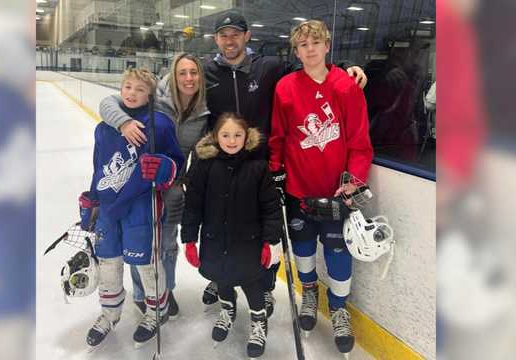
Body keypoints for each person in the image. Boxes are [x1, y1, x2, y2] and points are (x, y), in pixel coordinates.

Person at [101, 11, 368, 317]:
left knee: (264, 230)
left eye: (235, 34)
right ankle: (219, 278)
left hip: (261, 165)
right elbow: (146, 94)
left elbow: (308, 67)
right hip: (221, 163)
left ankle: (265, 288)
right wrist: (123, 120)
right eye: (223, 35)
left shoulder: (268, 66)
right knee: (218, 223)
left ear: (246, 37)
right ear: (216, 40)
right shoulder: (204, 73)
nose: (230, 40)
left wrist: (346, 69)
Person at [268, 20, 373, 355]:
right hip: (299, 191)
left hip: (335, 194)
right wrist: (276, 175)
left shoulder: (346, 86)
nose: (309, 49)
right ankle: (309, 293)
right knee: (302, 249)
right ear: (296, 51)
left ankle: (339, 307)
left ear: (327, 46)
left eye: (315, 42)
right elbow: (278, 139)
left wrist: (352, 181)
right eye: (302, 45)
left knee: (337, 251)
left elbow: (359, 143)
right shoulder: (285, 87)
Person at [98, 53, 210, 317]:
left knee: (168, 243)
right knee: (143, 242)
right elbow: (108, 101)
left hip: (172, 183)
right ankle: (140, 293)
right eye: (182, 72)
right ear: (173, 74)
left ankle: (164, 290)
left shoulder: (204, 110)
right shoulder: (156, 97)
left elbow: (200, 151)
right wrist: (123, 121)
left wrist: (187, 183)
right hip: (142, 185)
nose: (188, 78)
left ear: (200, 77)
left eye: (193, 73)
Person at [80, 68, 184, 348]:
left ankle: (155, 311)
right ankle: (110, 314)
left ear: (150, 94)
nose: (131, 93)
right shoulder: (104, 127)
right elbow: (98, 165)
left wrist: (165, 167)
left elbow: (176, 161)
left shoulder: (159, 124)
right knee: (109, 264)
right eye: (127, 87)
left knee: (147, 265)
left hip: (141, 205)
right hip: (109, 207)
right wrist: (92, 198)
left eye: (139, 89)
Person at [181, 113, 282, 358]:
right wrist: (189, 239)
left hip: (248, 242)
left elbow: (271, 207)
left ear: (246, 137)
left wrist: (271, 240)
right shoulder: (205, 167)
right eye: (225, 135)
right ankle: (227, 310)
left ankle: (258, 322)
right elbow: (193, 205)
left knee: (252, 283)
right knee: (222, 279)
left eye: (238, 135)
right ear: (216, 137)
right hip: (214, 240)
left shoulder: (258, 168)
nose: (232, 140)